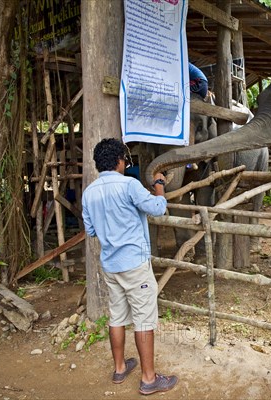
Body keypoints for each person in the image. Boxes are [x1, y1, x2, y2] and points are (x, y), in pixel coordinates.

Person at [82, 138, 178, 396]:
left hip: (111, 265)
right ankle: (149, 379)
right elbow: (157, 209)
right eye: (125, 159)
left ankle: (120, 367)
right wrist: (159, 186)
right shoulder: (129, 185)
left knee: (117, 317)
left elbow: (91, 230)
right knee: (144, 319)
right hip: (135, 264)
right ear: (119, 161)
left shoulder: (89, 192)